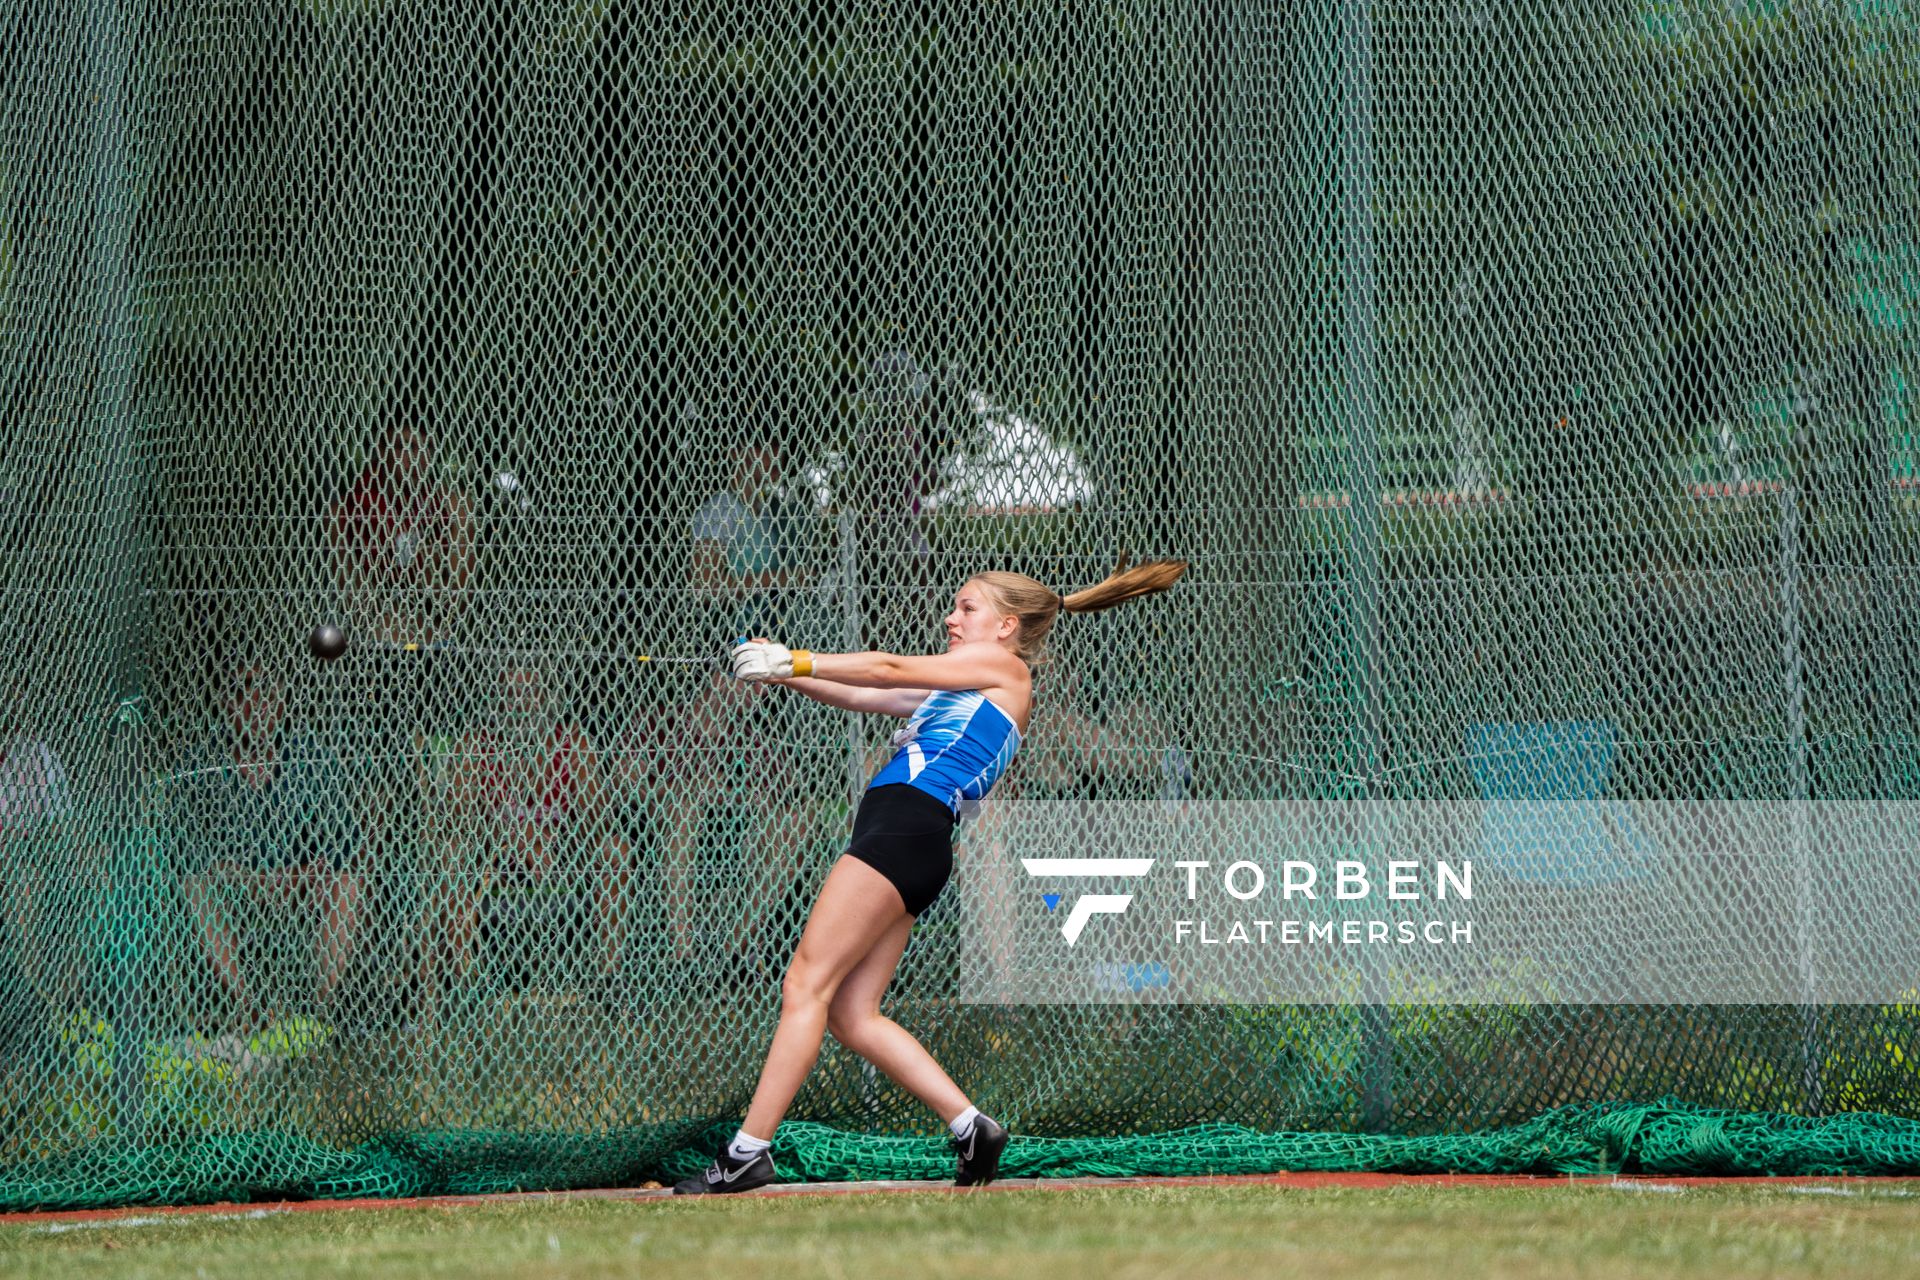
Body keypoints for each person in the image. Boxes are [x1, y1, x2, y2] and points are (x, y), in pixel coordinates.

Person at [672, 557, 1187, 1194]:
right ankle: (971, 1126)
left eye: (967, 608)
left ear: (1006, 626)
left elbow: (887, 666)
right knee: (853, 1013)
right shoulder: (964, 686)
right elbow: (869, 692)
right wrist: (781, 673)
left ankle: (747, 1151)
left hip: (902, 832)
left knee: (806, 982)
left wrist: (795, 658)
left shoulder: (1005, 670)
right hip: (913, 843)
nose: (951, 617)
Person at [176, 663, 360, 1047]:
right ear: (225, 704)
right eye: (241, 694)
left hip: (298, 887)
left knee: (346, 885)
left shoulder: (313, 759)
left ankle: (319, 1012)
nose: (254, 705)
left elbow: (343, 849)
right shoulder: (200, 766)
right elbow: (192, 859)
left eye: (265, 692)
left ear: (281, 701)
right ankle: (246, 1005)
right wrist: (246, 879)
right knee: (196, 889)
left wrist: (298, 876)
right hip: (234, 891)